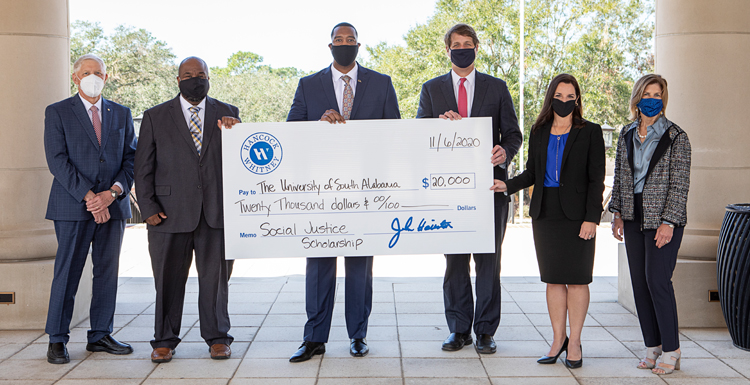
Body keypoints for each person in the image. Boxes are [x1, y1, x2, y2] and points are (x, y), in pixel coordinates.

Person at [286, 22, 401, 362]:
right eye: (339, 39)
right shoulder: (309, 85)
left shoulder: (381, 83)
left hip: (366, 190)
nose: (345, 44)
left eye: (350, 40)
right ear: (330, 45)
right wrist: (317, 125)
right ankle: (314, 338)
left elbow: (395, 132)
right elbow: (292, 131)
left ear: (358, 45)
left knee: (359, 266)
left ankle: (358, 335)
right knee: (319, 264)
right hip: (322, 191)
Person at [416, 23, 523, 354]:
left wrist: (505, 151)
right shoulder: (432, 90)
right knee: (455, 261)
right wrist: (437, 126)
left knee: (489, 261)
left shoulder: (497, 87)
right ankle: (459, 329)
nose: (462, 48)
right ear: (447, 51)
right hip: (449, 194)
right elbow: (418, 136)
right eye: (455, 44)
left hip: (489, 189)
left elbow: (514, 134)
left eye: (468, 43)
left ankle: (486, 330)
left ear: (477, 48)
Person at [493, 74, 605, 368]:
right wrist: (507, 185)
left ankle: (576, 342)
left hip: (579, 215)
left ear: (577, 100)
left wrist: (592, 218)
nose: (564, 101)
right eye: (559, 96)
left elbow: (596, 180)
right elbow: (532, 172)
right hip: (545, 214)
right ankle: (558, 340)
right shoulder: (539, 130)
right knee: (554, 279)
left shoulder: (590, 132)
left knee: (578, 280)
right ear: (550, 97)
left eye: (570, 97)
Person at [134, 56, 239, 363]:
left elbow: (239, 161)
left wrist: (236, 132)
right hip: (167, 213)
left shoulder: (228, 114)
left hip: (216, 213)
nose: (196, 78)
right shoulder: (155, 116)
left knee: (216, 280)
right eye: (189, 74)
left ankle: (218, 337)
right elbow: (143, 168)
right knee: (167, 280)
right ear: (178, 80)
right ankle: (164, 340)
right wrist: (148, 207)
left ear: (209, 78)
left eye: (201, 74)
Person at [43, 53, 136, 364]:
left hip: (113, 205)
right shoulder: (57, 112)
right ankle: (57, 338)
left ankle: (100, 335)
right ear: (75, 78)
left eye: (98, 72)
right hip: (72, 206)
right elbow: (57, 160)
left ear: (106, 78)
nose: (92, 76)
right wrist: (90, 197)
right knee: (67, 272)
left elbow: (130, 160)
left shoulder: (121, 113)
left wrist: (111, 194)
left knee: (107, 272)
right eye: (86, 72)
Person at [609, 74, 691, 375]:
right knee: (640, 285)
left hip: (663, 220)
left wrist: (669, 222)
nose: (652, 99)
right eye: (647, 93)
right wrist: (616, 212)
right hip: (632, 216)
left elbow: (680, 185)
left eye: (657, 94)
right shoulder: (627, 133)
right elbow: (620, 176)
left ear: (663, 99)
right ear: (637, 97)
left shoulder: (676, 137)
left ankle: (673, 349)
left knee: (658, 281)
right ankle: (652, 346)